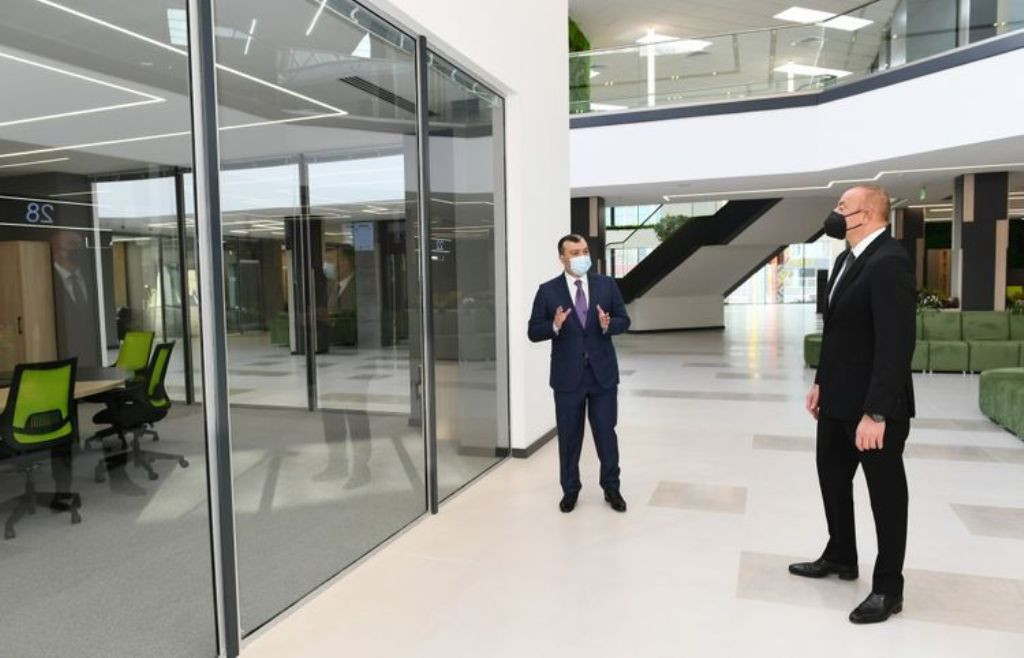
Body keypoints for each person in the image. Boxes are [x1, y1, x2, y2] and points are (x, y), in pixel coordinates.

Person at [791, 184, 916, 624]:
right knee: (832, 479)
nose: (835, 212)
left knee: (886, 497)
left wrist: (876, 412)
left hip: (873, 410)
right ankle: (841, 554)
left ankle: (888, 588)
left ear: (867, 214)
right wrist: (821, 383)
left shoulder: (889, 262)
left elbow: (896, 345)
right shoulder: (847, 259)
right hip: (837, 400)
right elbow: (838, 334)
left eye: (842, 206)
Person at [528, 234, 630, 513]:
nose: (582, 256)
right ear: (562, 257)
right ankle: (570, 490)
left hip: (602, 376)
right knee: (569, 437)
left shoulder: (606, 285)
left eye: (584, 251)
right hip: (567, 378)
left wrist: (608, 324)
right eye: (575, 253)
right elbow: (533, 331)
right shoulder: (548, 291)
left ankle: (612, 488)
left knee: (606, 433)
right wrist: (555, 325)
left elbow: (624, 319)